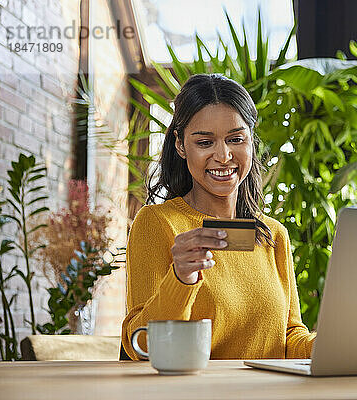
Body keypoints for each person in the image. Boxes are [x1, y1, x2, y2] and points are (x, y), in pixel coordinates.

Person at [121, 73, 316, 360]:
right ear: (180, 145)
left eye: (236, 139)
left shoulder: (273, 235)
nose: (224, 156)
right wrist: (181, 278)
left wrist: (331, 345)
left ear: (251, 142)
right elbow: (143, 346)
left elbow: (288, 338)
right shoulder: (157, 223)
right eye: (205, 143)